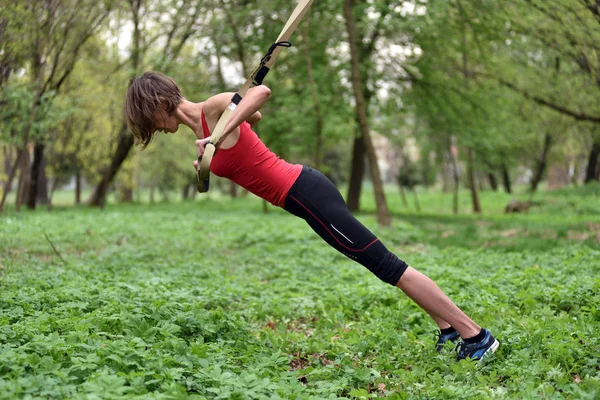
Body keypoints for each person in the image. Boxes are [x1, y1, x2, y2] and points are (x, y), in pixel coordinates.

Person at [124, 71, 499, 361]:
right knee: (383, 267)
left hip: (305, 192)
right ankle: (448, 330)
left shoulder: (213, 108)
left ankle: (476, 336)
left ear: (160, 102)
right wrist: (209, 157)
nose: (155, 127)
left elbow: (260, 97)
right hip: (302, 195)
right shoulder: (206, 132)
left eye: (150, 118)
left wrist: (221, 133)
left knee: (388, 266)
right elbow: (254, 123)